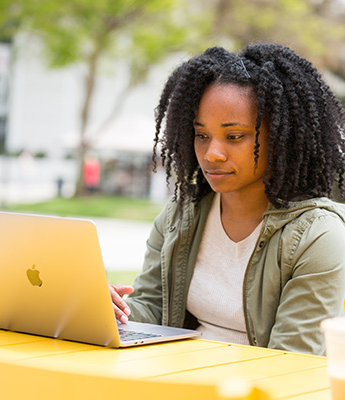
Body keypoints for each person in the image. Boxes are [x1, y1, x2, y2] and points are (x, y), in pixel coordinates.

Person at [109, 43, 345, 355]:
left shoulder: (320, 236)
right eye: (201, 135)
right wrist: (107, 311)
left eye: (234, 137)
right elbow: (150, 309)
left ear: (279, 137)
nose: (212, 154)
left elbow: (291, 361)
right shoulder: (180, 216)